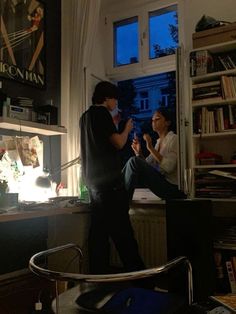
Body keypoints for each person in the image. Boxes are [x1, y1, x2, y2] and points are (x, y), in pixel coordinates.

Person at [79, 81, 145, 274]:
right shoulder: (101, 113)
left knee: (98, 234)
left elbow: (99, 142)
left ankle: (98, 279)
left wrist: (114, 126)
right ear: (107, 98)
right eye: (114, 98)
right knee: (123, 234)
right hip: (110, 185)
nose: (116, 102)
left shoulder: (84, 117)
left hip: (93, 184)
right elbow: (117, 143)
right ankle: (140, 279)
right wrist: (126, 128)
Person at [122, 107, 186, 200]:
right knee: (133, 161)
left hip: (172, 188)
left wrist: (150, 148)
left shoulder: (174, 139)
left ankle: (122, 203)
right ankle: (120, 198)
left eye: (157, 119)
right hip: (163, 184)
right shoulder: (159, 142)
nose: (153, 121)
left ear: (167, 122)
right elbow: (146, 165)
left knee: (133, 161)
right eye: (152, 120)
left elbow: (169, 167)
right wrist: (138, 152)